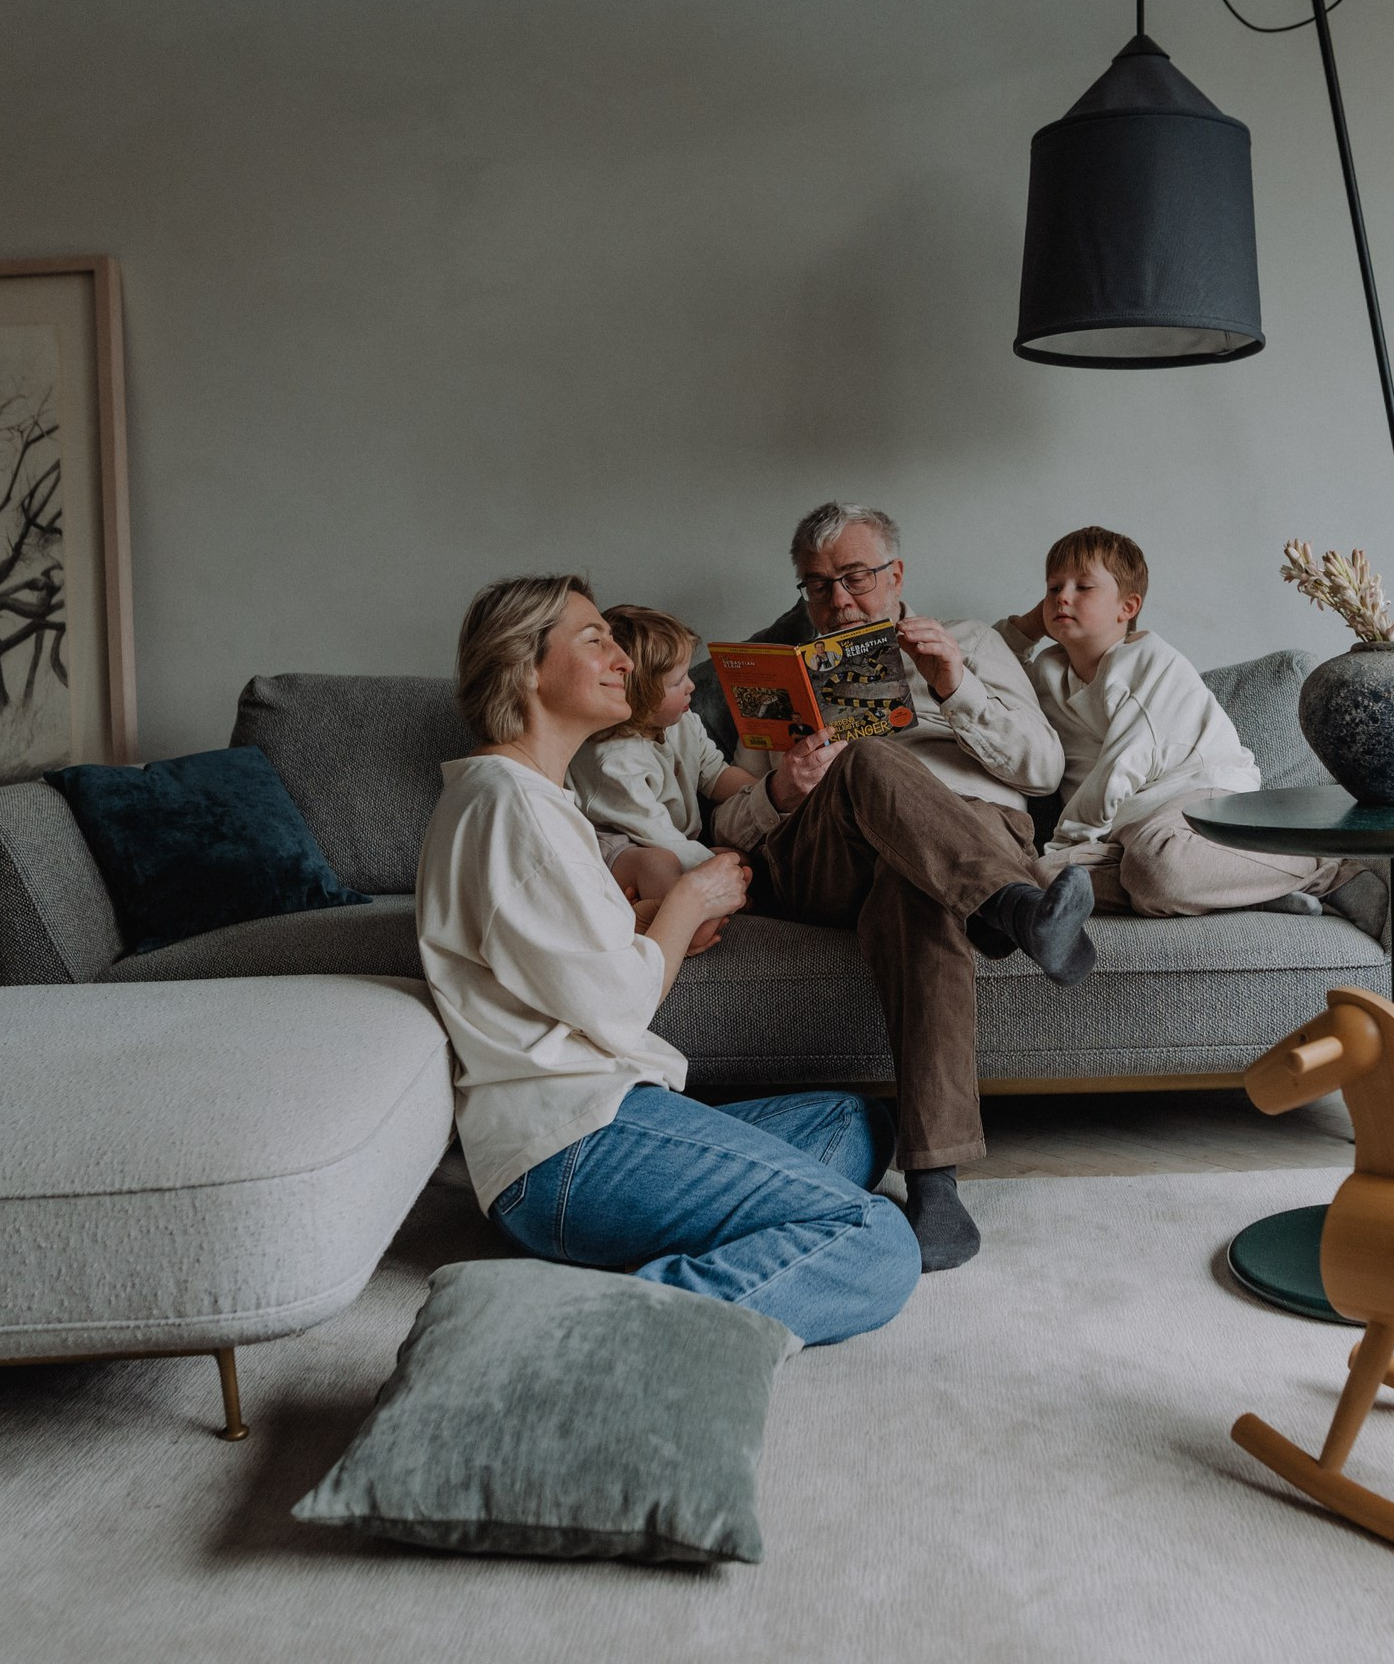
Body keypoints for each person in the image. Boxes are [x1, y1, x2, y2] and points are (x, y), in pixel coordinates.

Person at [415, 574, 919, 1345]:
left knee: (856, 1121)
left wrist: (651, 918)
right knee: (876, 1240)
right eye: (595, 640)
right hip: (566, 1146)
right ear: (525, 667)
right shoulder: (511, 805)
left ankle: (707, 1236)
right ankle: (587, 1334)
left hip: (600, 1120)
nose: (622, 658)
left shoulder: (526, 799)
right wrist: (689, 900)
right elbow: (619, 1006)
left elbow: (548, 948)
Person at [709, 502, 1091, 1273]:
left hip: (968, 835)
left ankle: (935, 1183)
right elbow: (729, 826)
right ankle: (1013, 909)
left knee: (917, 894)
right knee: (867, 757)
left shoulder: (975, 644)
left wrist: (955, 686)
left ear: (897, 575)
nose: (838, 602)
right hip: (828, 858)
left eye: (854, 579)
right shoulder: (777, 673)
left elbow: (1043, 771)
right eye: (818, 588)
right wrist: (784, 787)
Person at [999, 526, 1343, 917]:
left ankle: (1317, 866)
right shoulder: (1048, 672)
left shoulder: (1146, 659)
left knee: (1153, 866)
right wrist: (1028, 626)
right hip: (1127, 829)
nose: (1062, 596)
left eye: (1084, 587)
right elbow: (987, 662)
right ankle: (1239, 889)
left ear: (1127, 607)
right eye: (1053, 587)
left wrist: (1069, 844)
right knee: (1042, 877)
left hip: (1196, 799)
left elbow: (1121, 767)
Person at [571, 604, 762, 911]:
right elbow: (656, 836)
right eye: (677, 682)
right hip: (625, 850)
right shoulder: (614, 758)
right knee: (661, 867)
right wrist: (720, 872)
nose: (692, 686)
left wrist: (766, 793)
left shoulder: (680, 722)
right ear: (639, 692)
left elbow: (716, 775)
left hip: (672, 841)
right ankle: (690, 919)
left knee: (738, 857)